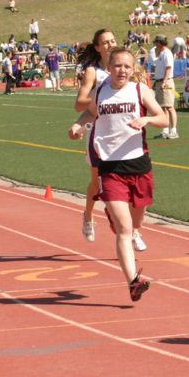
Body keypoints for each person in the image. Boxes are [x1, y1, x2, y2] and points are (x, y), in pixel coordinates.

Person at [85, 48, 168, 302]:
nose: (122, 70)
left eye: (127, 67)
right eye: (117, 65)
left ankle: (129, 226)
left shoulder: (140, 91)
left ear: (133, 70)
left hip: (139, 165)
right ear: (109, 67)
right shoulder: (99, 92)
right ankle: (133, 281)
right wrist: (79, 125)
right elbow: (89, 112)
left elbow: (163, 118)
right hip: (110, 167)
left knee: (136, 222)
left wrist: (147, 121)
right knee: (124, 228)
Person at [69, 29, 117, 244]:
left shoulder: (125, 68)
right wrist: (80, 123)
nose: (110, 45)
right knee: (97, 185)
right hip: (99, 134)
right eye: (105, 42)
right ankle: (88, 216)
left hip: (124, 134)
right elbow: (80, 103)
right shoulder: (93, 72)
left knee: (126, 182)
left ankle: (132, 230)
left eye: (113, 41)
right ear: (97, 48)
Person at [150, 35, 179, 139]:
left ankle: (174, 131)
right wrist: (157, 82)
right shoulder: (162, 53)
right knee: (163, 108)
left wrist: (164, 81)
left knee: (170, 107)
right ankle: (165, 130)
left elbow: (168, 68)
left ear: (159, 43)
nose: (154, 44)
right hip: (160, 82)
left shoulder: (166, 53)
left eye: (155, 42)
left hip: (165, 82)